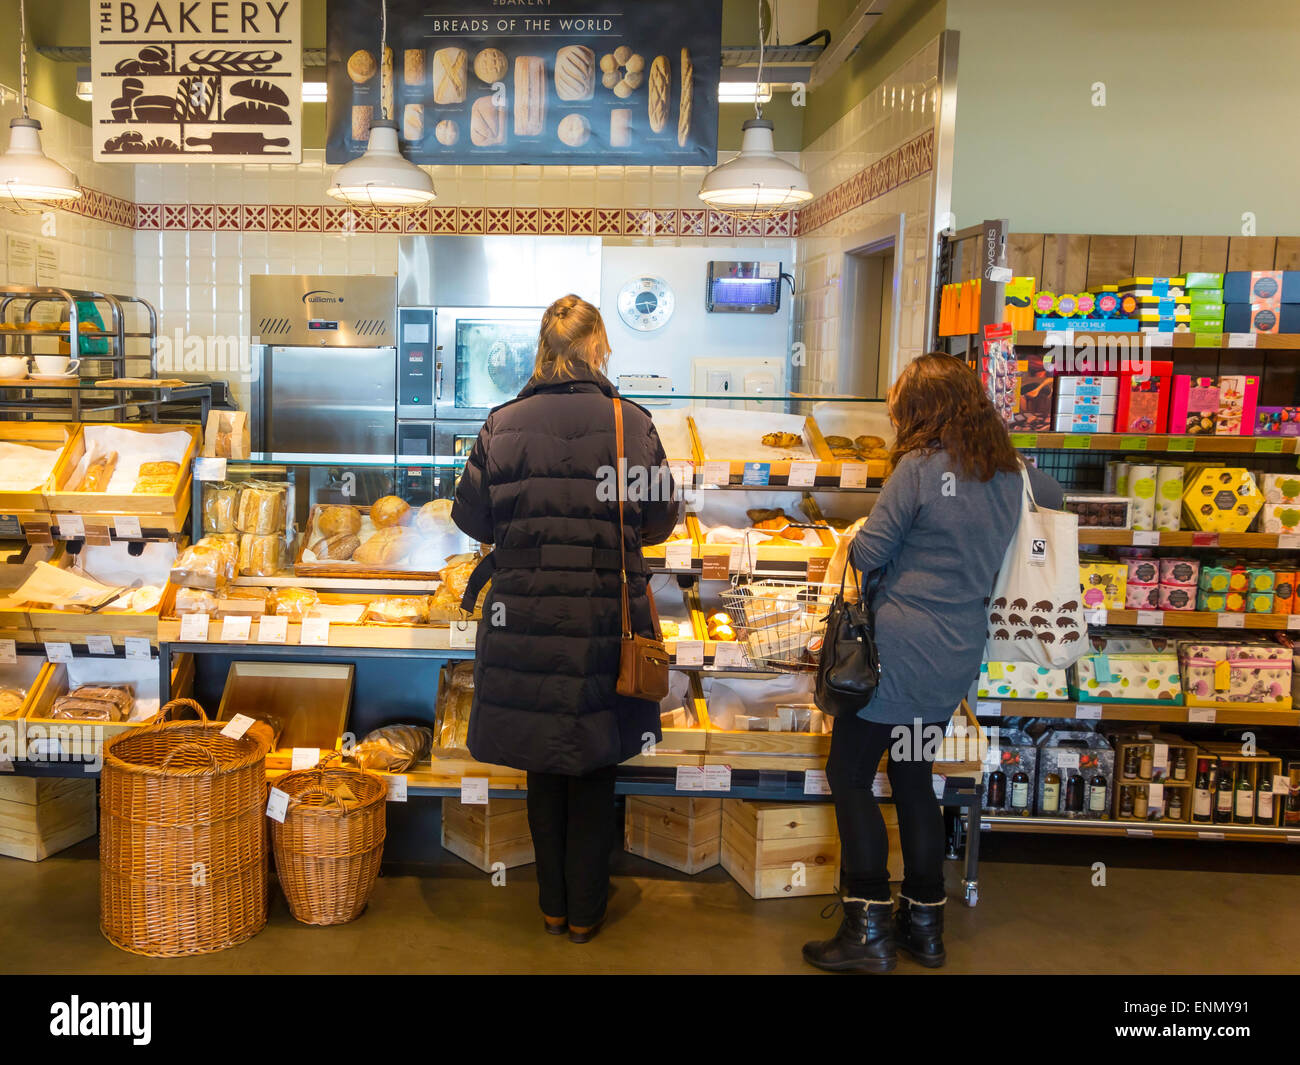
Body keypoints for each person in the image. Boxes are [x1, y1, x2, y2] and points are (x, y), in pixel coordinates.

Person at [803, 353, 1062, 973]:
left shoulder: (919, 469)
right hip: (956, 651)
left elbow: (870, 552)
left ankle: (865, 930)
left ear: (921, 410)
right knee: (914, 776)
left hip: (899, 647)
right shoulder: (1012, 471)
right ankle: (925, 927)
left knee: (850, 774)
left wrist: (858, 532)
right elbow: (1051, 508)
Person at [451, 294, 679, 944]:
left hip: (523, 615)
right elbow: (662, 519)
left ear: (543, 350)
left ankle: (552, 906)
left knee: (542, 765)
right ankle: (586, 913)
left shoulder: (502, 421)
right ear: (597, 347)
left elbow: (472, 518)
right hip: (606, 619)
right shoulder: (630, 423)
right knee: (594, 762)